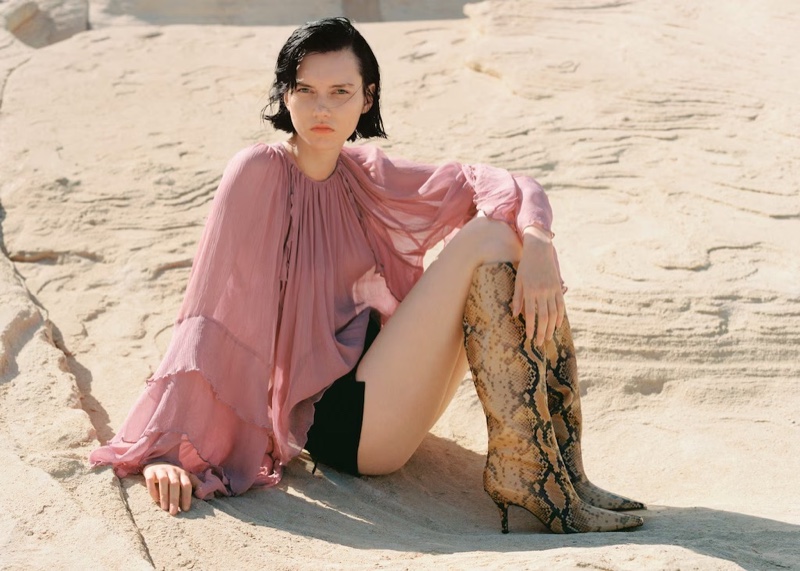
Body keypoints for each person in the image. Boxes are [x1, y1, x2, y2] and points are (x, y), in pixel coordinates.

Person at [90, 17, 644, 533]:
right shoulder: (258, 171)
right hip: (347, 424)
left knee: (506, 235)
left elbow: (499, 181)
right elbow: (208, 313)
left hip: (391, 389)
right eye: (305, 90)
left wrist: (542, 241)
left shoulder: (363, 174)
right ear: (285, 94)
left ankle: (561, 469)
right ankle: (535, 480)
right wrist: (169, 452)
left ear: (366, 98)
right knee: (493, 237)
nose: (321, 108)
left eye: (340, 92)